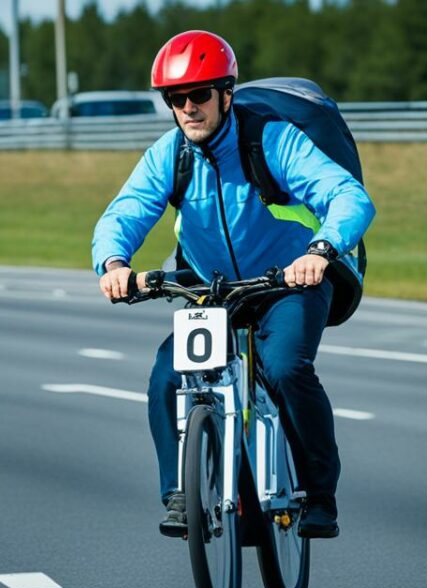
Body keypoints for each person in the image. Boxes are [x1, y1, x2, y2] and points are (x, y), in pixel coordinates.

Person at [92, 30, 374, 539]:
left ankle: (319, 493)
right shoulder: (170, 154)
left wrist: (320, 252)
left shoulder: (272, 139)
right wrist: (113, 264)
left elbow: (347, 197)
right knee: (167, 376)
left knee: (286, 367)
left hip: (288, 280)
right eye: (176, 99)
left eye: (199, 95)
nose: (188, 109)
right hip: (211, 289)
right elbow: (126, 211)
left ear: (226, 94)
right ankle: (180, 494)